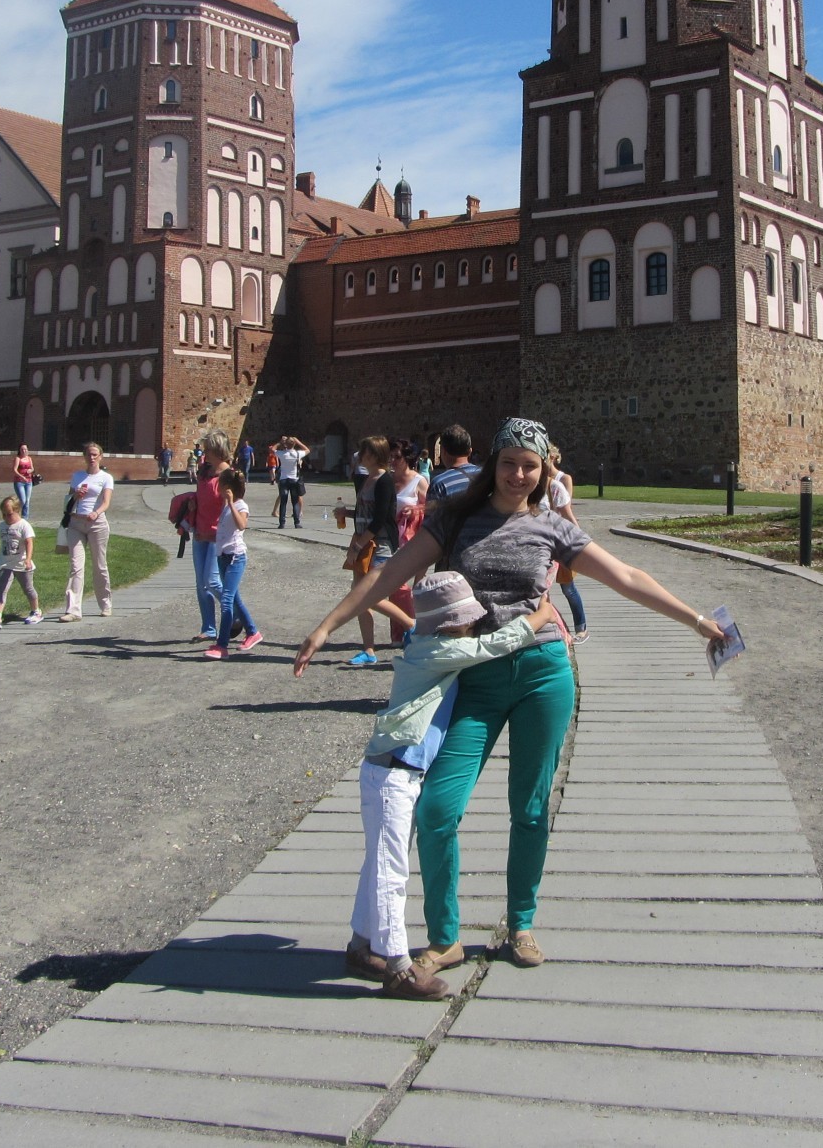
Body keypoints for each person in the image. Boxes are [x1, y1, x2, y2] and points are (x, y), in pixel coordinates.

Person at [295, 417, 728, 975]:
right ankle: (445, 935)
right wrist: (327, 626)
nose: (518, 474)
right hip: (475, 677)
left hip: (543, 672)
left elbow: (626, 575)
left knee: (528, 807)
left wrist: (696, 621)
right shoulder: (454, 520)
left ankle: (520, 924)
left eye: (530, 465)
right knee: (436, 809)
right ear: (491, 463)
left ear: (544, 469)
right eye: (509, 462)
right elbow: (388, 577)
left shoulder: (554, 528)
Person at [343, 572, 562, 1000]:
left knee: (378, 863)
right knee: (391, 872)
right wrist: (539, 619)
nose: (474, 625)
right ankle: (397, 966)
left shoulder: (422, 641)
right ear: (450, 627)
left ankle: (359, 944)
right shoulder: (441, 649)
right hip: (394, 775)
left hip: (394, 772)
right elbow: (490, 646)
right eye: (467, 621)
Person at [335, 436, 414, 667]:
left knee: (365, 595)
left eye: (365, 451)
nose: (361, 455)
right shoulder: (366, 479)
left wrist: (359, 545)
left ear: (375, 454)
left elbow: (380, 519)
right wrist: (346, 513)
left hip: (378, 545)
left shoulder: (384, 481)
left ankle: (410, 624)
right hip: (362, 542)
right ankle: (368, 650)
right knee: (360, 597)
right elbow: (365, 511)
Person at [206, 468, 264, 658]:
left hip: (235, 558)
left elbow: (242, 525)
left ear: (228, 489)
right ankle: (253, 632)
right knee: (234, 599)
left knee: (227, 599)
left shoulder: (240, 506)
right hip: (223, 556)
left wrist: (230, 503)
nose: (218, 490)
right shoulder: (226, 506)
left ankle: (221, 645)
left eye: (220, 487)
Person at [58, 442, 114, 622]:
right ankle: (73, 610)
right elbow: (68, 500)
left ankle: (105, 604)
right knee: (76, 566)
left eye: (95, 454)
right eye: (89, 454)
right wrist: (76, 495)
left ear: (100, 457)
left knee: (99, 565)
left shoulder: (106, 478)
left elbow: (106, 502)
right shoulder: (77, 477)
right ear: (84, 457)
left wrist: (96, 512)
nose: (92, 457)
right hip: (76, 523)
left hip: (96, 524)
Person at [543, 445, 588, 642]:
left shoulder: (561, 481)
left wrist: (580, 542)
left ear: (552, 457)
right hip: (544, 544)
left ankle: (581, 627)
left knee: (568, 588)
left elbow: (567, 510)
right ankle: (553, 628)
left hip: (560, 541)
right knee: (542, 590)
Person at [0, 493, 43, 629]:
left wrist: (28, 559)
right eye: (3, 515)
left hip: (21, 563)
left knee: (28, 588)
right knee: (2, 589)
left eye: (9, 514)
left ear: (17, 511)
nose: (6, 518)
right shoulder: (2, 526)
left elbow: (29, 543)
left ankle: (36, 611)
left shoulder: (24, 525)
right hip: (5, 563)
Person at [428, 425, 480, 502]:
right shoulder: (486, 475)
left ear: (443, 452)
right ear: (470, 451)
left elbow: (432, 513)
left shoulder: (439, 484)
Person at [274, 434, 310, 528]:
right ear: (294, 444)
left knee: (283, 502)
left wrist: (280, 442)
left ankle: (282, 523)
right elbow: (307, 450)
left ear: (286, 444)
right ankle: (297, 522)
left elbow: (272, 450)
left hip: (283, 480)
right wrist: (298, 441)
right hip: (294, 479)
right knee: (295, 502)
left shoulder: (282, 454)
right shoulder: (297, 454)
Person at [11, 444, 36, 517]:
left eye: (25, 449)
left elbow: (32, 468)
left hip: (29, 482)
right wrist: (22, 477)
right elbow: (14, 470)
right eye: (22, 449)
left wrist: (30, 470)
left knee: (27, 501)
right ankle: (15, 512)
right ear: (19, 450)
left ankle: (25, 517)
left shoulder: (29, 458)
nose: (24, 451)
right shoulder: (18, 458)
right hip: (19, 482)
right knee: (23, 500)